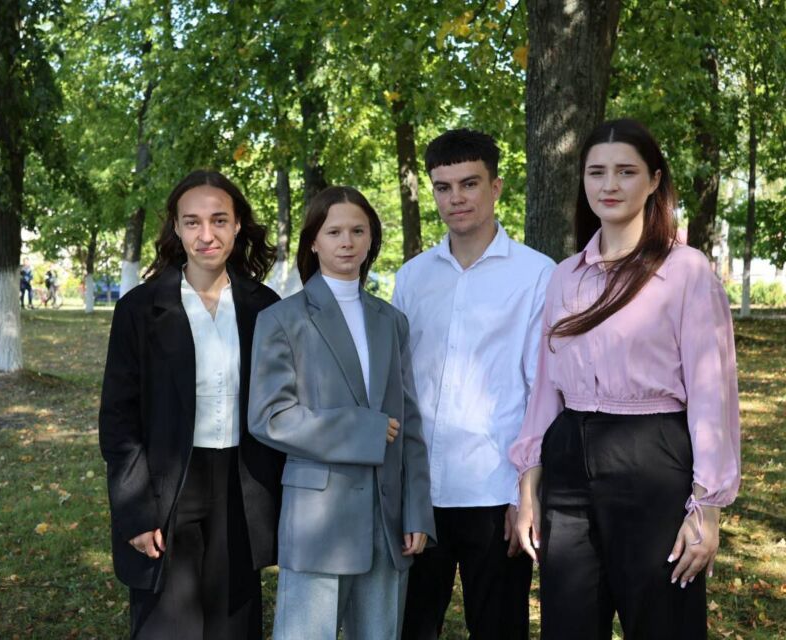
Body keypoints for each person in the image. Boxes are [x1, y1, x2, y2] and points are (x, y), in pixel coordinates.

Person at [510, 118, 740, 640]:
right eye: (596, 172)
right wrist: (528, 484)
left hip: (652, 457)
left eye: (625, 171)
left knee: (661, 621)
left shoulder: (686, 271)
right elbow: (546, 389)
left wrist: (706, 507)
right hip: (568, 460)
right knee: (568, 623)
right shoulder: (564, 276)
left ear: (654, 180)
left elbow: (712, 394)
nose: (609, 185)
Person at [99, 170, 285, 639]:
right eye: (192, 222)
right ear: (176, 228)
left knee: (234, 626)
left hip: (243, 487)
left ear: (237, 224)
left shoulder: (265, 306)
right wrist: (136, 512)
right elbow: (118, 419)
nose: (207, 235)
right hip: (168, 486)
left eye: (219, 220)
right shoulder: (140, 309)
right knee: (168, 626)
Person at [248, 186, 435, 640]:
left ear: (371, 239)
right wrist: (363, 429)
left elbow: (409, 423)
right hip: (319, 520)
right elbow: (270, 417)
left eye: (358, 231)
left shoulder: (391, 321)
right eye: (334, 232)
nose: (346, 242)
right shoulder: (282, 319)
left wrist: (417, 511)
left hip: (387, 520)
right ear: (313, 241)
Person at [394, 128, 553, 640]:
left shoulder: (536, 274)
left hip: (494, 490)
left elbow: (542, 392)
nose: (456, 198)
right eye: (443, 187)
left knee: (500, 629)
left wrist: (523, 493)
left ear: (496, 187)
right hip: (421, 494)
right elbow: (399, 386)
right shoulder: (412, 277)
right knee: (412, 627)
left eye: (469, 183)